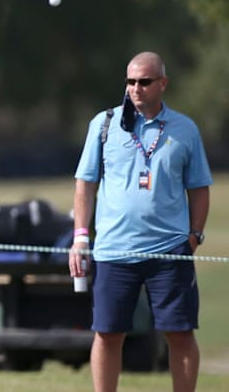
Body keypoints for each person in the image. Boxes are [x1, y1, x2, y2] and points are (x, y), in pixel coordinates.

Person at [70, 52, 212, 392]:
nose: (136, 88)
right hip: (113, 250)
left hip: (169, 251)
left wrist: (193, 236)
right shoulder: (103, 124)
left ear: (163, 83)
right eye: (130, 81)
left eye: (144, 82)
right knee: (107, 333)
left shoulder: (185, 129)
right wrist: (81, 237)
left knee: (179, 333)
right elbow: (85, 183)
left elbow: (199, 188)